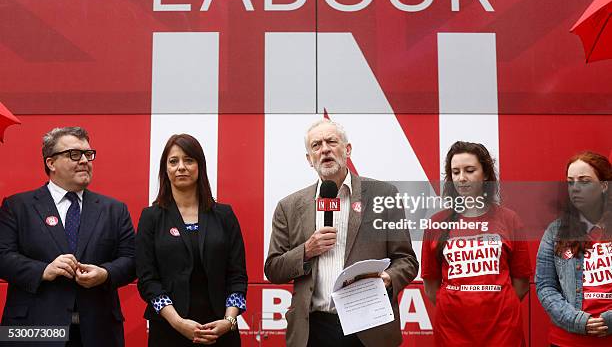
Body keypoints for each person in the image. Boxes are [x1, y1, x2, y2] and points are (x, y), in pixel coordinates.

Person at [264, 119, 419, 347]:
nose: (324, 149)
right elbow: (274, 269)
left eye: (331, 141)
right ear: (309, 159)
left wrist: (386, 278)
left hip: (368, 327)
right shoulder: (289, 207)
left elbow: (406, 261)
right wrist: (306, 250)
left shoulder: (382, 195)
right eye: (316, 145)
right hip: (313, 331)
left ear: (347, 149)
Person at [0, 126, 136, 347]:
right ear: (50, 163)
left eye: (88, 154)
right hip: (33, 329)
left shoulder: (114, 209)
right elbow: (3, 256)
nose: (84, 160)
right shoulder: (17, 206)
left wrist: (105, 274)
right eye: (74, 154)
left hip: (98, 331)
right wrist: (43, 270)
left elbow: (132, 260)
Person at [136, 134, 247, 346]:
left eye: (189, 160)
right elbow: (148, 280)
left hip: (221, 332)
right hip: (168, 330)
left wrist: (229, 320)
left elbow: (238, 276)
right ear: (165, 169)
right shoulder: (151, 217)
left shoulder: (224, 215)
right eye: (173, 161)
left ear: (200, 166)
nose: (181, 167)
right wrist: (177, 322)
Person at [420, 141, 532, 346]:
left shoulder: (509, 219)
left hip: (503, 331)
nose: (461, 178)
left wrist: (498, 307)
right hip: (452, 331)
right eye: (455, 172)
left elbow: (522, 282)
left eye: (469, 170)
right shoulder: (437, 223)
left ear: (486, 174)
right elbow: (431, 285)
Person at [536, 151, 612, 346]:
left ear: (604, 186)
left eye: (584, 181)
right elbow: (545, 286)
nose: (575, 188)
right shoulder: (556, 231)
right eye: (570, 182)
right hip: (566, 340)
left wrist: (609, 320)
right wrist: (577, 321)